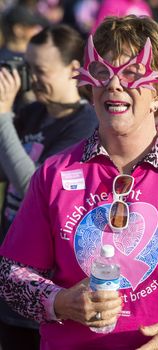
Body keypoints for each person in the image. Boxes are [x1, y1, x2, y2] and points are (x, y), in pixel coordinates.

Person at [0, 14, 158, 350]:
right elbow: (12, 275)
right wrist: (60, 301)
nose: (114, 84)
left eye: (132, 74)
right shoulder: (54, 173)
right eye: (101, 72)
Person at [0, 23, 98, 350]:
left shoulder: (84, 126)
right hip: (14, 266)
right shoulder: (32, 113)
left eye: (39, 70)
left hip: (47, 284)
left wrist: (2, 116)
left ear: (73, 70)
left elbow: (32, 186)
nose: (31, 78)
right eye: (27, 68)